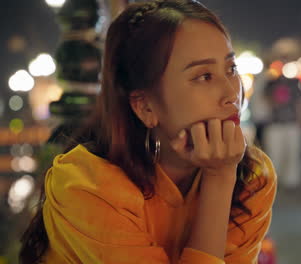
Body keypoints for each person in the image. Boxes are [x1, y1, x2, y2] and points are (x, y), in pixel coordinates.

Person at [19, 1, 277, 263]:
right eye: (204, 76)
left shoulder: (251, 177)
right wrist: (219, 179)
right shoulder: (88, 187)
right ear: (145, 107)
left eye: (231, 69)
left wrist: (223, 176)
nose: (233, 94)